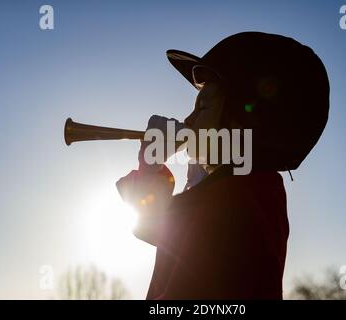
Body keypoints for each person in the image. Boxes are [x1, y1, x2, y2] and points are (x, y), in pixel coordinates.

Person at [116, 32, 330, 299]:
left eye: (202, 108)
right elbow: (163, 232)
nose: (188, 120)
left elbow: (163, 229)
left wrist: (152, 170)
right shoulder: (242, 188)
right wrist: (154, 170)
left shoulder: (244, 193)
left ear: (241, 120)